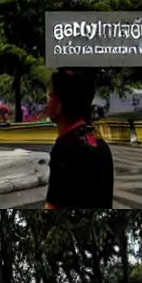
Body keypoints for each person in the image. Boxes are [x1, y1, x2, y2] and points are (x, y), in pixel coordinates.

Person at [44, 69, 114, 208]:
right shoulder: (100, 144)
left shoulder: (65, 149)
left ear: (59, 104)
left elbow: (53, 207)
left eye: (50, 95)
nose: (47, 100)